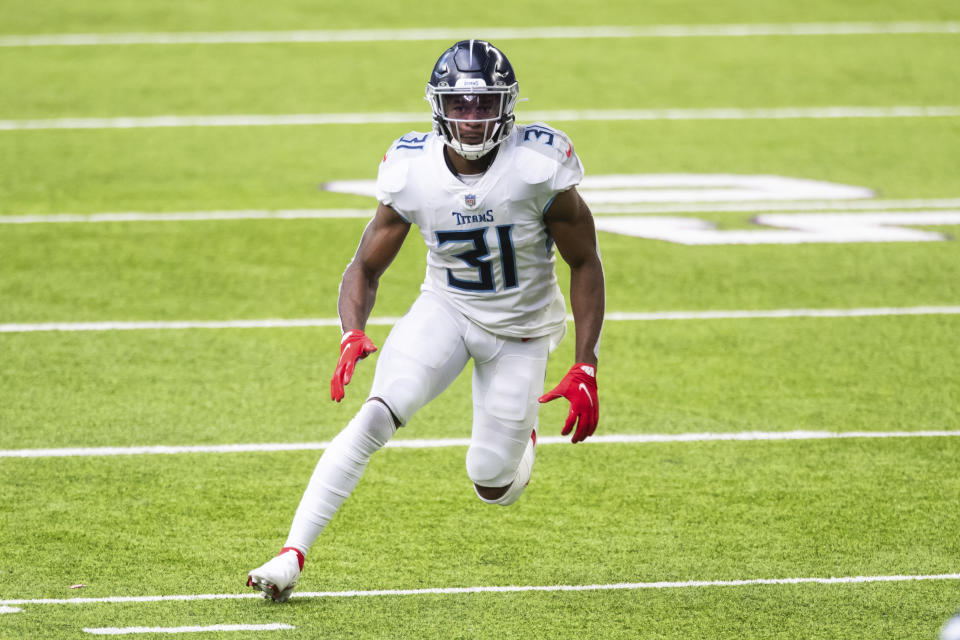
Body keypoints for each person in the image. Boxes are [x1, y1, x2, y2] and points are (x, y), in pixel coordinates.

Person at [247, 39, 605, 602]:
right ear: (438, 106)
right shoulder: (412, 168)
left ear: (507, 105)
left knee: (492, 483)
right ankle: (292, 553)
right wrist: (351, 332)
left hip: (523, 331)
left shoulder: (538, 166)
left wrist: (585, 365)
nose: (470, 118)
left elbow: (584, 260)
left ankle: (521, 437)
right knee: (376, 415)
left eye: (483, 103)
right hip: (446, 309)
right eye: (458, 105)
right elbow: (363, 265)